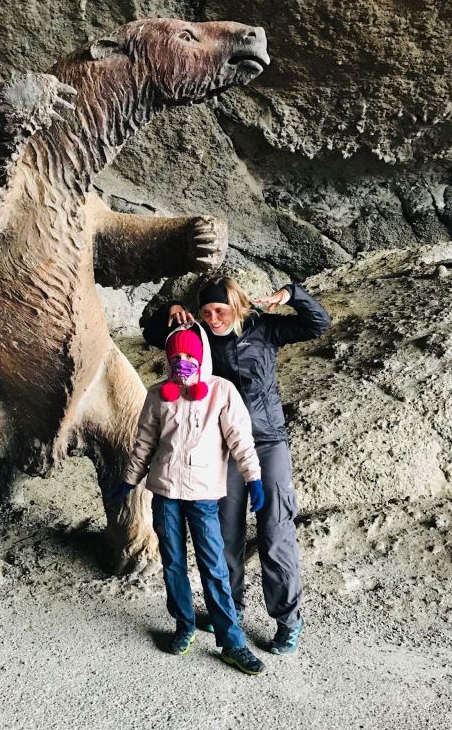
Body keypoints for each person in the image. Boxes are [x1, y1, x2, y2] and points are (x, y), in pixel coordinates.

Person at [142, 277, 331, 655]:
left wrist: (292, 294)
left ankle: (288, 620)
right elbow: (152, 334)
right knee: (225, 533)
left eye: (220, 310)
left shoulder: (264, 328)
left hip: (267, 442)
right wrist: (170, 311)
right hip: (221, 448)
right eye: (206, 312)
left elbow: (319, 323)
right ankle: (232, 607)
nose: (213, 318)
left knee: (275, 532)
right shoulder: (198, 335)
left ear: (237, 306)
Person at [110, 324, 267, 675]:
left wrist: (253, 478)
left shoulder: (221, 392)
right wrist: (129, 479)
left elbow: (241, 440)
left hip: (203, 495)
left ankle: (232, 642)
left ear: (201, 356)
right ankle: (183, 624)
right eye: (176, 355)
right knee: (173, 563)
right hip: (165, 493)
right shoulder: (157, 395)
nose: (182, 360)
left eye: (189, 355)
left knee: (214, 566)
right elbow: (144, 443)